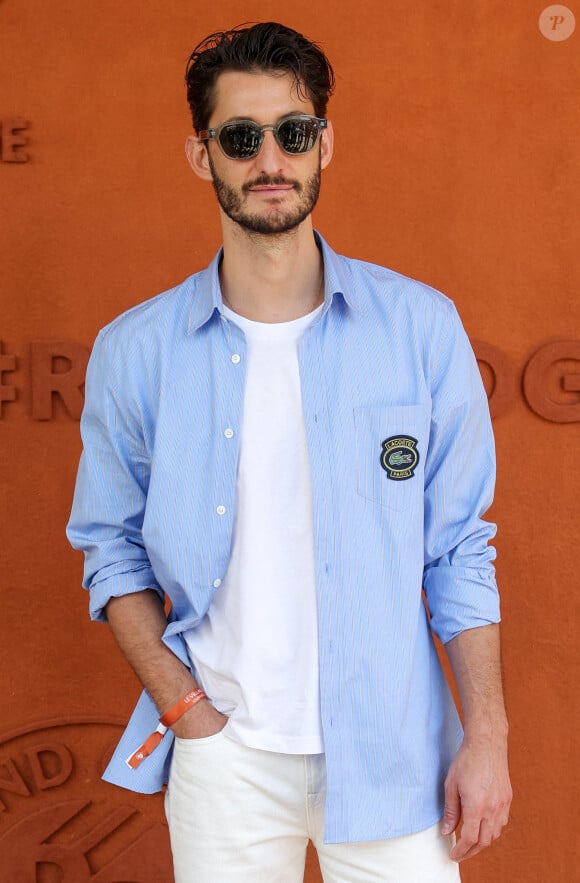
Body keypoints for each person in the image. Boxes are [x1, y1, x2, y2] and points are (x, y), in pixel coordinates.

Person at [67, 21, 512, 883]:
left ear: (324, 143)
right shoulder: (137, 351)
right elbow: (107, 547)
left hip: (395, 754)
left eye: (293, 132)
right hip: (224, 755)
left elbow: (459, 548)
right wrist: (182, 706)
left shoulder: (420, 327)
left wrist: (486, 735)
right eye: (241, 137)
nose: (270, 158)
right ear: (204, 157)